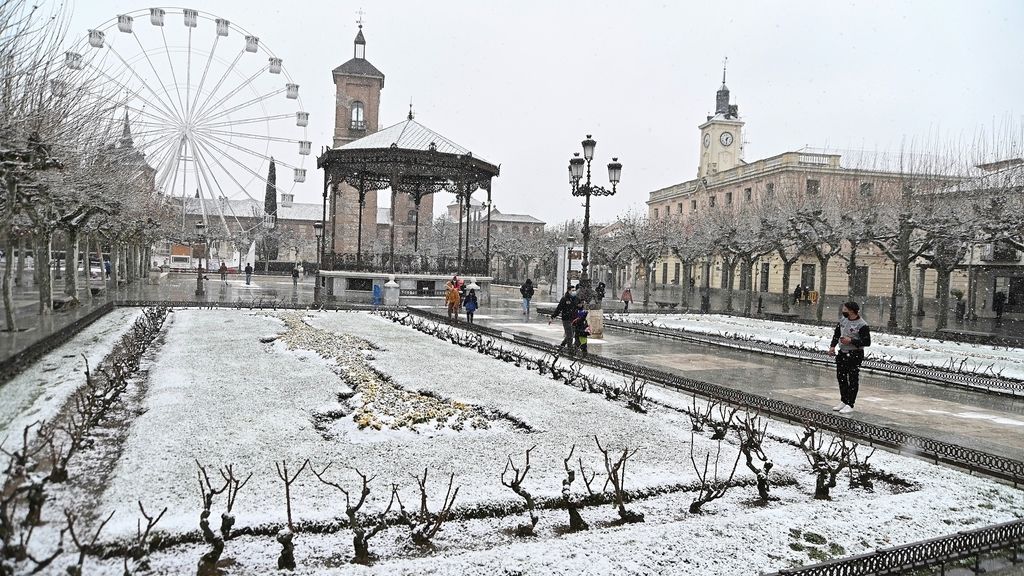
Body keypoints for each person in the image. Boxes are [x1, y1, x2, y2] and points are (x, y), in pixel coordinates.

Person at [828, 301, 871, 415]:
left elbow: (867, 341)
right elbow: (837, 334)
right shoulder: (843, 320)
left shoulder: (862, 325)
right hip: (842, 353)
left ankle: (850, 403)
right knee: (841, 377)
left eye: (845, 309)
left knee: (852, 378)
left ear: (852, 310)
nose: (843, 311)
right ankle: (844, 400)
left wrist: (851, 340)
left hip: (854, 354)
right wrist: (832, 346)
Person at [549, 287, 579, 351]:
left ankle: (561, 346)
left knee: (570, 335)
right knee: (570, 336)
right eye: (572, 290)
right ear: (568, 291)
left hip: (574, 319)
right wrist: (552, 317)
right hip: (566, 319)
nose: (574, 291)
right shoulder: (564, 299)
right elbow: (559, 309)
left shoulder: (576, 299)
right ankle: (570, 350)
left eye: (575, 290)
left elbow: (579, 308)